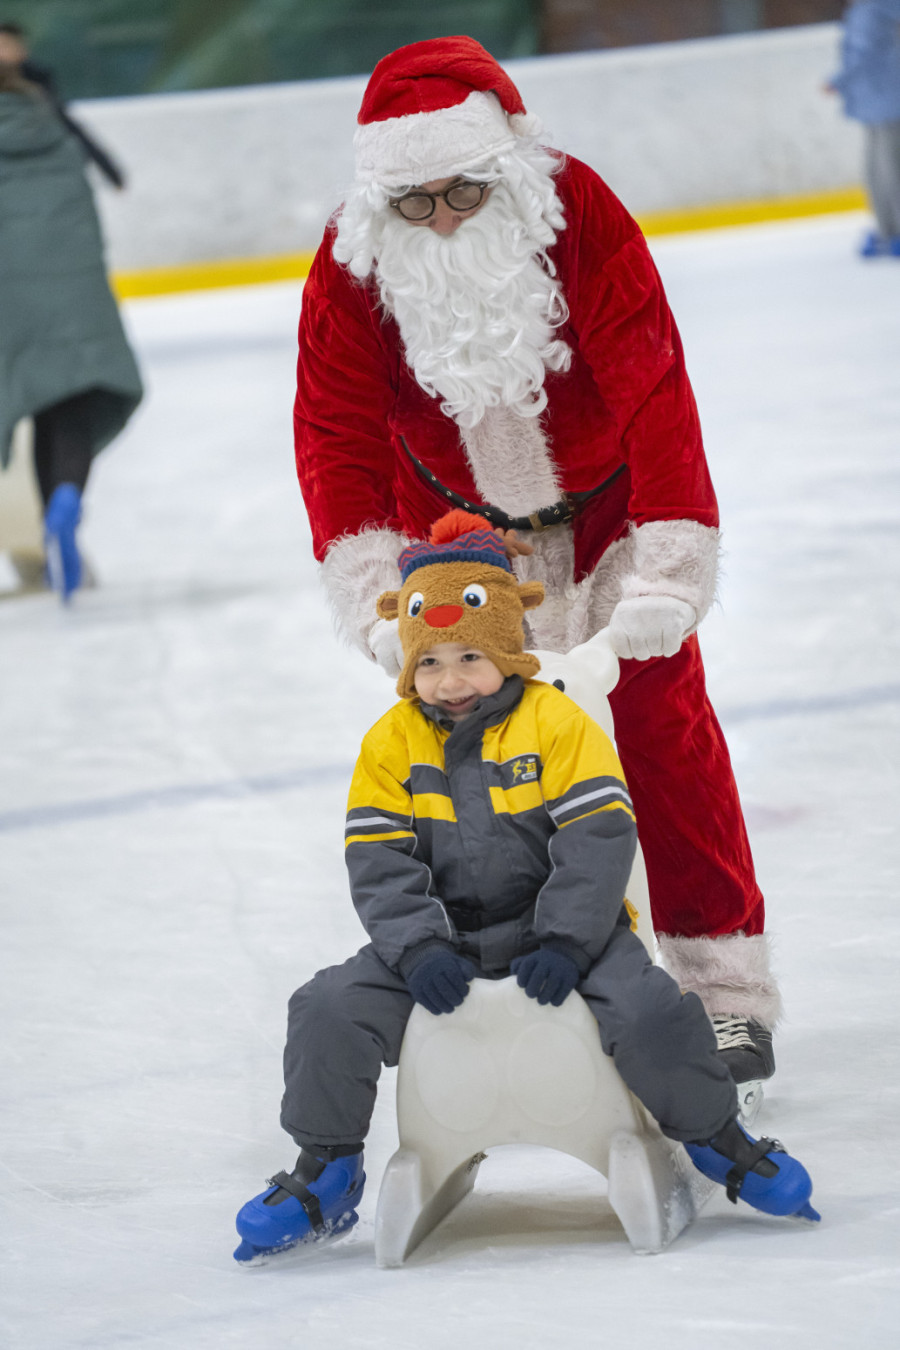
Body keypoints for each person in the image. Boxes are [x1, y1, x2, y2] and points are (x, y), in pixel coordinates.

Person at [292, 36, 779, 1087]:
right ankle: (499, 998)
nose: (445, 218)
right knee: (473, 773)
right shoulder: (353, 256)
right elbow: (333, 426)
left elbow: (651, 374)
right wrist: (376, 586)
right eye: (416, 204)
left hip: (606, 522)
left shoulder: (576, 209)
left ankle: (724, 990)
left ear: (507, 164)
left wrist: (668, 559)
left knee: (660, 729)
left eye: (464, 190)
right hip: (455, 546)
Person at [233, 510, 818, 1262]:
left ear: (510, 647)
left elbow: (599, 837)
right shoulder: (391, 742)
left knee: (651, 1012)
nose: (449, 680)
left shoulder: (556, 721)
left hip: (569, 933)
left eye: (469, 657)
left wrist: (570, 940)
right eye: (431, 662)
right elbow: (379, 862)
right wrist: (416, 950)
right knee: (326, 1007)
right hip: (442, 939)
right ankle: (329, 1166)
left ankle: (716, 1138)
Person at [0, 59, 142, 599]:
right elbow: (85, 209)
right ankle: (64, 501)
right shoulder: (49, 124)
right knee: (68, 406)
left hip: (10, 298)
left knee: (31, 403)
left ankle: (37, 538)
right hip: (74, 292)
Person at [0, 21, 126, 188]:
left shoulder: (38, 83)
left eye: (7, 46)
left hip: (41, 176)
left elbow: (65, 123)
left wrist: (106, 167)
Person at [826, 1, 900, 256]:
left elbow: (864, 52)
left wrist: (839, 80)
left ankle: (892, 230)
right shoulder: (864, 8)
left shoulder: (875, 7)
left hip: (886, 99)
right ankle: (886, 230)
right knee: (878, 169)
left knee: (890, 169)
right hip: (874, 100)